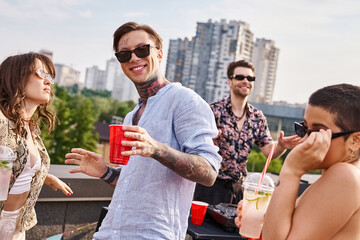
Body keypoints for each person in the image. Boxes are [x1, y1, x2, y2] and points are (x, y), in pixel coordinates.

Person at [64, 22, 221, 239]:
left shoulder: (185, 101)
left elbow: (209, 172)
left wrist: (156, 148)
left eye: (142, 50)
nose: (134, 58)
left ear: (159, 53)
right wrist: (105, 171)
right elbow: (135, 183)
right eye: (124, 54)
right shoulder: (132, 115)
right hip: (111, 231)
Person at [235, 83, 360, 239]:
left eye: (316, 132)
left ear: (355, 141)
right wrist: (264, 221)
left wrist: (291, 171)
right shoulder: (336, 175)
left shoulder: (345, 175)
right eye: (303, 129)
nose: (303, 140)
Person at [193, 60, 300, 205]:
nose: (245, 81)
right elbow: (195, 146)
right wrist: (207, 141)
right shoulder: (213, 111)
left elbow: (269, 153)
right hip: (210, 186)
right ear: (229, 81)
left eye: (250, 78)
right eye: (240, 77)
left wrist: (281, 146)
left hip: (240, 189)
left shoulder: (258, 117)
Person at [0, 52, 73, 239]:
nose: (48, 81)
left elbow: (11, 166)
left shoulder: (30, 129)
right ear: (17, 76)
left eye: (50, 77)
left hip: (17, 226)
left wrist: (42, 175)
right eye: (41, 74)